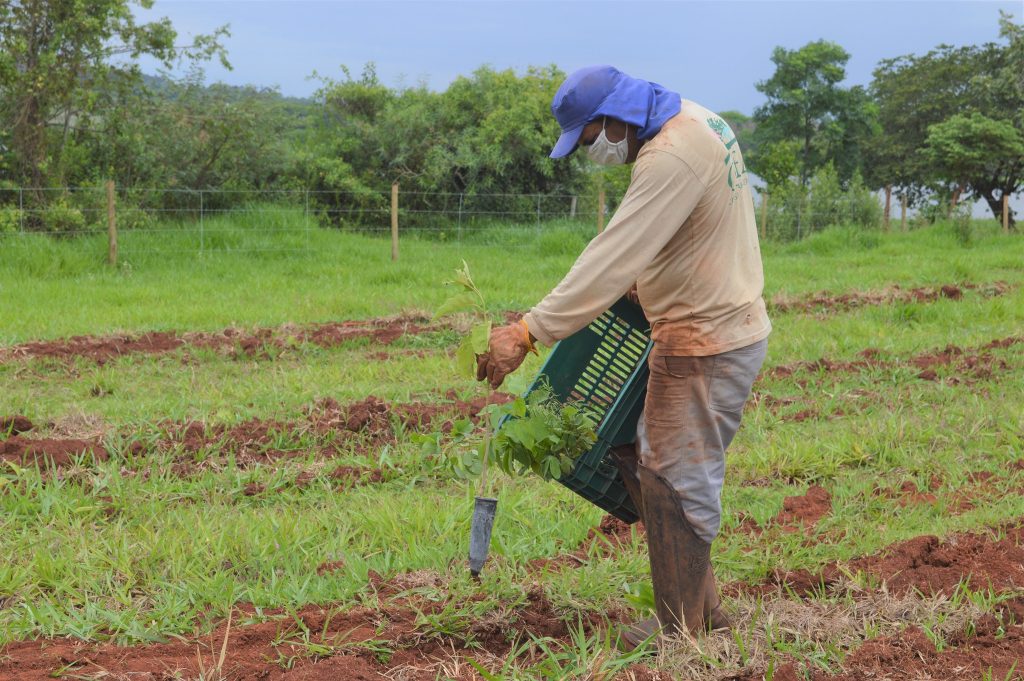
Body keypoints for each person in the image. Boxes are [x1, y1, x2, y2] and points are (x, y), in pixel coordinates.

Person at [475, 65, 771, 645]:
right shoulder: (695, 116)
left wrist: (528, 332)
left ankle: (680, 634)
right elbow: (683, 231)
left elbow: (613, 255)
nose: (594, 153)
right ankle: (704, 615)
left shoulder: (670, 157)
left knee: (673, 477)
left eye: (590, 140)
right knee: (650, 463)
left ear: (615, 120)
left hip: (705, 340)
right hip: (709, 323)